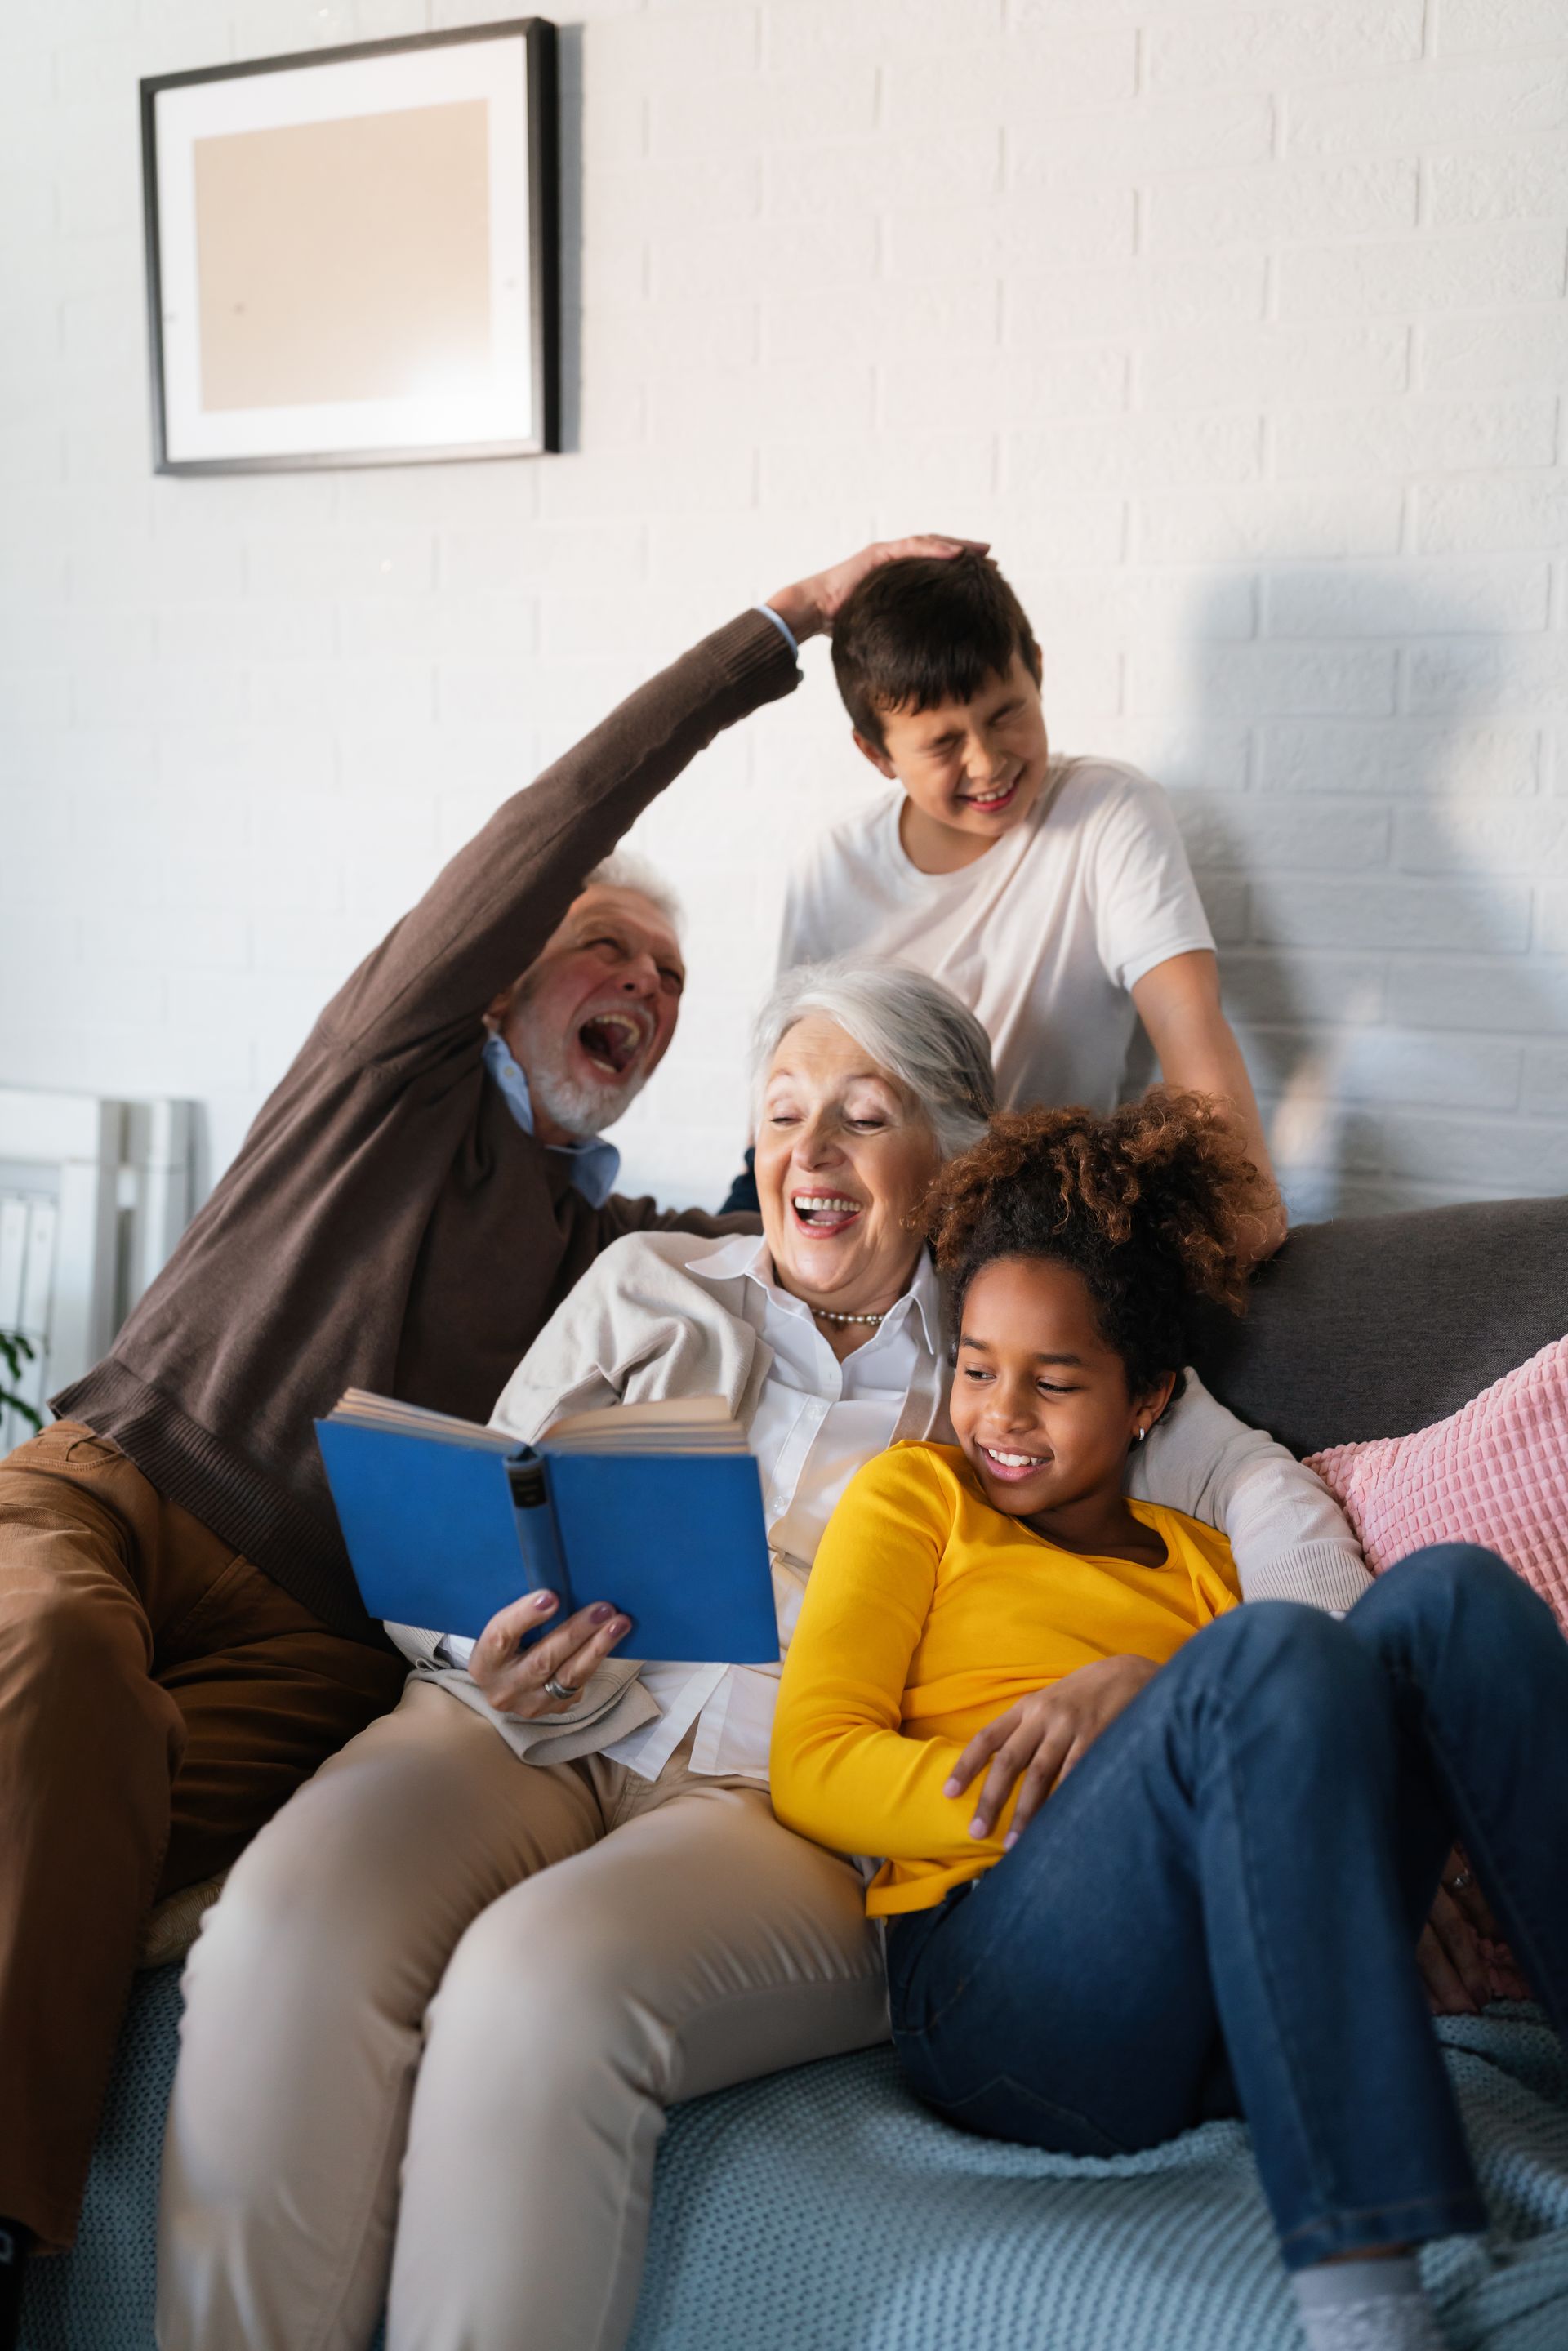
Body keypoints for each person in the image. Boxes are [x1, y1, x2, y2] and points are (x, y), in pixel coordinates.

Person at [0, 530, 977, 2332]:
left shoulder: (630, 1252)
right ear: (511, 967)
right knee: (52, 1664)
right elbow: (554, 820)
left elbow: (815, 1204)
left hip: (314, 1646)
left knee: (241, 1880)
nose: (648, 988)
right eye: (609, 947)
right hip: (123, 1500)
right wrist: (789, 624)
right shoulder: (387, 1074)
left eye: (675, 987)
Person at [157, 961, 1365, 2351]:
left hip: (777, 1807)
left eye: (863, 1113)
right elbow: (485, 1508)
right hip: (513, 1724)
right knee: (277, 1930)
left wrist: (1283, 1690)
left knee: (540, 1992)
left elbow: (1267, 1500)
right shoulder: (649, 1283)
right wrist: (474, 1640)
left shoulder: (1013, 1343)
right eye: (784, 1112)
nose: (811, 1149)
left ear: (951, 1155)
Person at [771, 1095, 1567, 2351]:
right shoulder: (916, 1498)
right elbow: (814, 1765)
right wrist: (1092, 1770)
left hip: (1220, 1992)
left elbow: (1287, 1731)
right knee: (1273, 1650)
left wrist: (1167, 1695)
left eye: (1056, 1379)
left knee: (1451, 1600)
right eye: (976, 1366)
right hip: (997, 1988)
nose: (1000, 1414)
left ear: (1147, 1398)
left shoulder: (1206, 1559)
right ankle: (1369, 2291)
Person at [729, 550, 1285, 1258]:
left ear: (1039, 671)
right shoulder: (832, 867)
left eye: (1007, 714)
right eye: (944, 743)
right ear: (876, 753)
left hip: (1023, 1226)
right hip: (861, 1224)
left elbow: (1189, 1020)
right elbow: (785, 1092)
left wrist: (1245, 1213)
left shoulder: (1107, 813)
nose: (988, 761)